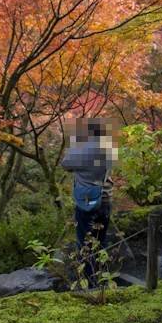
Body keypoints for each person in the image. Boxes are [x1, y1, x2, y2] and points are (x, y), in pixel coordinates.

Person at [60, 117, 115, 287]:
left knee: (85, 244)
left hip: (86, 203)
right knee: (102, 240)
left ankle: (91, 284)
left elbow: (65, 164)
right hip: (106, 200)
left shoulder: (81, 153)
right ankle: (105, 278)